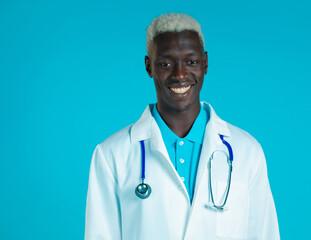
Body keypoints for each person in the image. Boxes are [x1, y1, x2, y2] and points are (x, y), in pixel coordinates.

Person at [85, 13, 280, 240]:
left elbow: (264, 233)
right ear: (149, 67)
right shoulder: (112, 155)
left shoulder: (246, 150)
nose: (180, 75)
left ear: (205, 63)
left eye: (191, 62)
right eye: (166, 63)